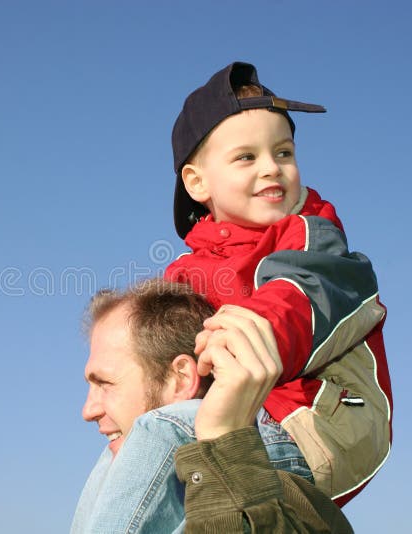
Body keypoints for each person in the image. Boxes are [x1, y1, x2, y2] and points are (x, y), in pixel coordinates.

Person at [164, 61, 393, 505]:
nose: (272, 168)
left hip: (322, 422)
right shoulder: (183, 272)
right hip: (240, 416)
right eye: (246, 157)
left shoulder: (313, 232)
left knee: (163, 435)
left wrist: (250, 333)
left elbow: (301, 294)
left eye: (284, 153)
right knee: (142, 440)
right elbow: (153, 344)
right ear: (196, 181)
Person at [72, 279, 352, 533]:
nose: (88, 410)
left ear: (180, 379)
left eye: (105, 383)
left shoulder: (292, 503)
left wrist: (224, 440)